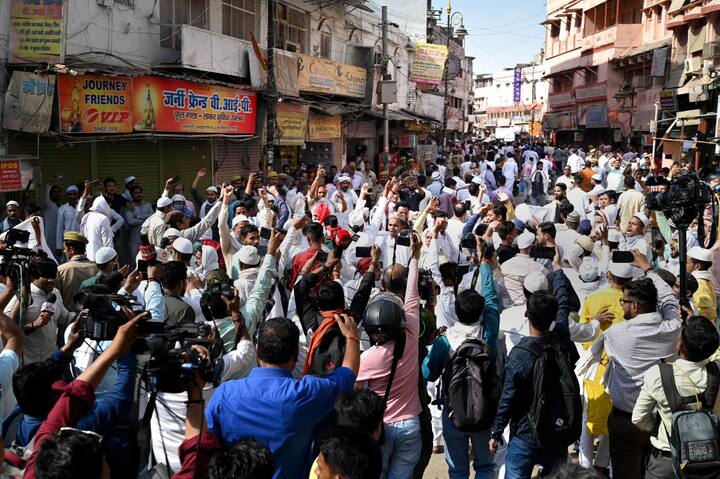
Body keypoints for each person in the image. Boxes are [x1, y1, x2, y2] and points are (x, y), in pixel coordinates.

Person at [206, 312, 360, 478]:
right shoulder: (309, 393)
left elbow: (206, 445)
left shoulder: (225, 394)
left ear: (257, 352)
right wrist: (352, 338)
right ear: (295, 355)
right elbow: (348, 373)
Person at [422, 240, 499, 478]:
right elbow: (493, 301)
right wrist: (484, 263)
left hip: (453, 413)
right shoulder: (487, 335)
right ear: (482, 312)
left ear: (457, 312)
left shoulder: (445, 342)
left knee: (457, 469)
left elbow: (428, 373)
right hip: (485, 411)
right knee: (485, 467)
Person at [489, 285, 575, 478]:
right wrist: (558, 269)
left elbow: (507, 398)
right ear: (554, 318)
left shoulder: (519, 354)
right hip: (557, 430)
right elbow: (563, 305)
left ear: (527, 314)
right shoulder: (561, 340)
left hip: (524, 434)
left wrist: (496, 431)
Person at [356, 233, 422, 478]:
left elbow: (356, 392)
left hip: (379, 428)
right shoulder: (411, 336)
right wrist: (415, 256)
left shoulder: (368, 359)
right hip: (410, 425)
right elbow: (412, 297)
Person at [604, 274, 681, 479]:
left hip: (625, 420)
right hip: (658, 420)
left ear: (635, 306)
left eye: (624, 302)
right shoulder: (672, 329)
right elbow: (671, 303)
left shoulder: (615, 334)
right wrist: (649, 270)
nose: (622, 306)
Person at [632, 315, 720, 479]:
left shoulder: (659, 374)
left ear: (680, 344)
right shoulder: (716, 372)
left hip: (666, 459)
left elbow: (638, 419)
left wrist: (660, 428)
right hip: (709, 459)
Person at [5, 259, 70, 365]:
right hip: (27, 365)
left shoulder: (56, 293)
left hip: (50, 363)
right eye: (46, 276)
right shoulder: (23, 295)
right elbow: (8, 331)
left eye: (53, 277)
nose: (51, 280)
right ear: (34, 277)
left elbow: (64, 318)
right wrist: (34, 325)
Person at [55, 232, 99, 311]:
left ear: (71, 250)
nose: (64, 251)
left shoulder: (61, 270)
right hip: (93, 318)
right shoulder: (97, 268)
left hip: (69, 319)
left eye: (65, 248)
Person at [81, 196, 123, 263]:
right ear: (104, 204)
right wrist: (112, 259)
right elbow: (107, 241)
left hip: (88, 255)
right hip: (101, 258)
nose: (109, 207)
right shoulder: (103, 218)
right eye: (108, 205)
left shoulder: (86, 216)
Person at [123, 185, 153, 266]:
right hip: (134, 240)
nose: (138, 195)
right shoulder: (129, 207)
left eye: (140, 193)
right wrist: (146, 218)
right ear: (132, 195)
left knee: (148, 261)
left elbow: (152, 217)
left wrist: (139, 216)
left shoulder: (148, 205)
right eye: (136, 193)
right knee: (134, 262)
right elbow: (130, 221)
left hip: (147, 240)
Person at [686, 246, 718, 321]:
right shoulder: (702, 282)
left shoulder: (699, 285)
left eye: (687, 263)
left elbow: (705, 314)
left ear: (697, 266)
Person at [55, 185, 81, 258]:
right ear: (67, 195)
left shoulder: (81, 207)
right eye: (70, 194)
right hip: (68, 241)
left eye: (74, 194)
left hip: (80, 240)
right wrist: (58, 247)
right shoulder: (62, 209)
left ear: (77, 195)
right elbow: (59, 229)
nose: (72, 196)